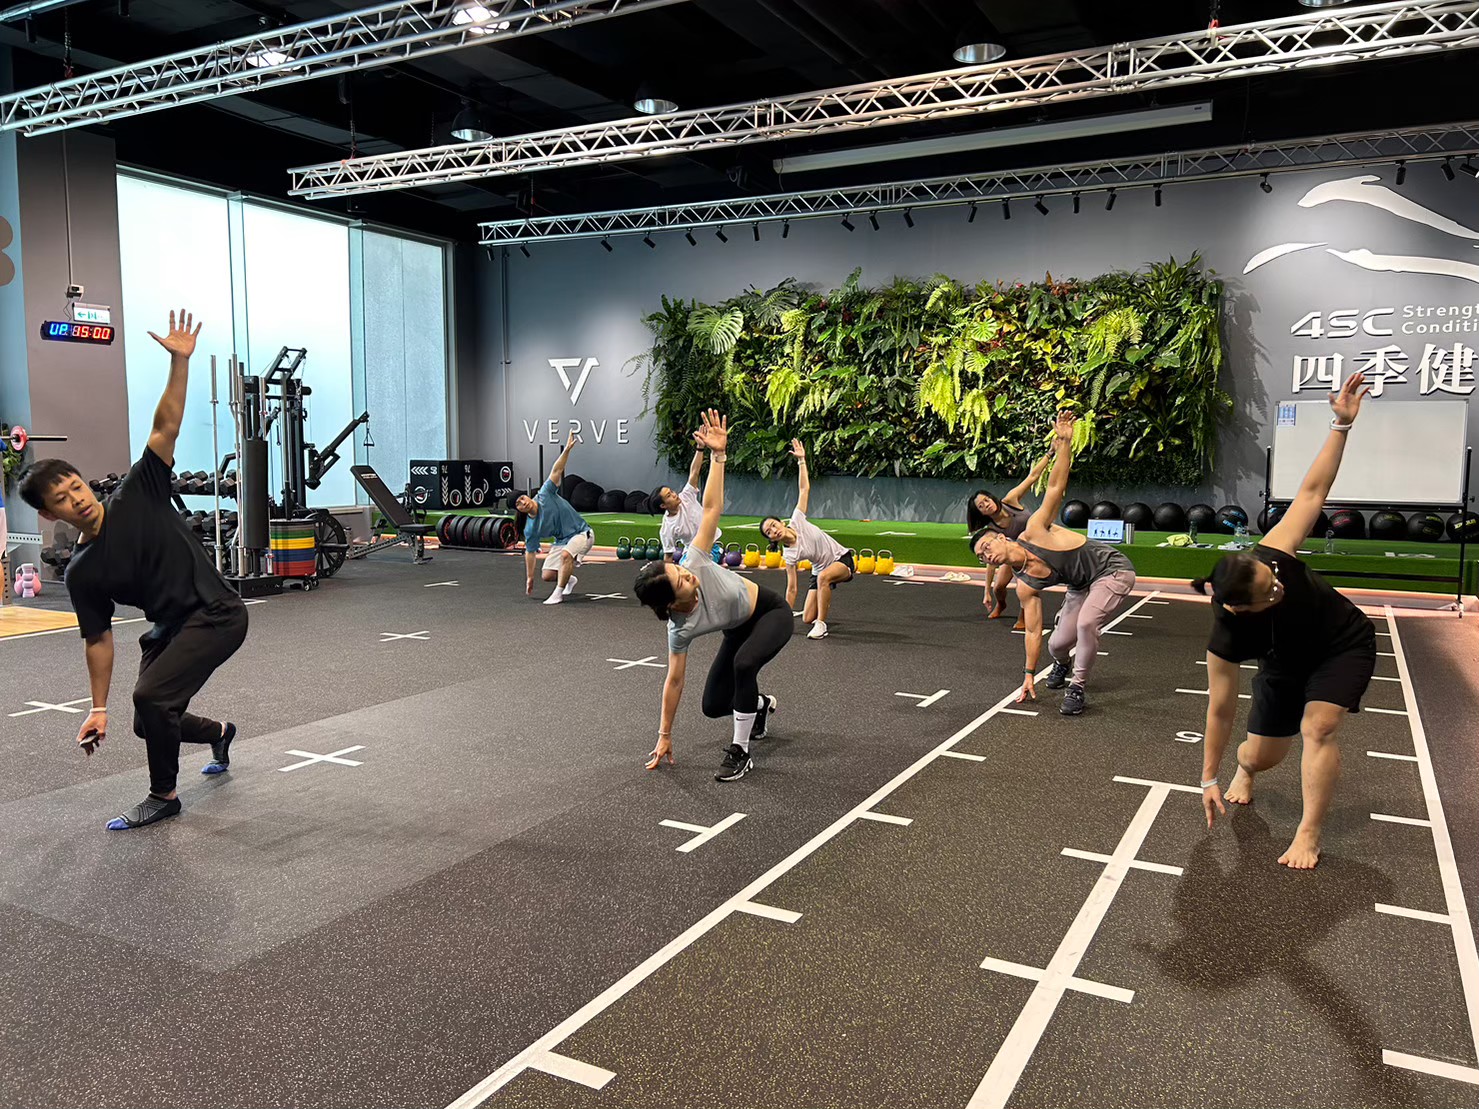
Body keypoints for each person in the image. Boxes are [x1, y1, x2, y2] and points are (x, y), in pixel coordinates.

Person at [17, 309, 248, 830]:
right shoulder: (81, 572)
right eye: (62, 499)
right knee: (149, 721)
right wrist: (98, 708)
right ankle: (219, 733)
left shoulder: (138, 492)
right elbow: (98, 640)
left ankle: (164, 796)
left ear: (84, 482)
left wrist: (180, 362)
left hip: (218, 613)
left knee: (150, 696)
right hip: (171, 627)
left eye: (76, 486)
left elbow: (166, 424)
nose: (77, 498)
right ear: (50, 514)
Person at [1195, 372, 1376, 870]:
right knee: (1261, 756)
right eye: (1269, 593)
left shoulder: (1272, 554)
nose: (1278, 586)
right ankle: (1247, 770)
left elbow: (1313, 491)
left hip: (1342, 643)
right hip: (1283, 664)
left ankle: (1308, 832)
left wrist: (1341, 425)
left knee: (1320, 726)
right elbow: (1220, 710)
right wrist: (1209, 776)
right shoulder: (1226, 634)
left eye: (1273, 579)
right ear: (1240, 608)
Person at [634, 410, 789, 782]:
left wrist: (719, 455)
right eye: (681, 581)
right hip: (737, 629)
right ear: (671, 604)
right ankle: (760, 706)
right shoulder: (679, 628)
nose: (688, 575)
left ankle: (741, 751)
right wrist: (664, 735)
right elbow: (674, 681)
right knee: (713, 705)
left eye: (681, 570)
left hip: (770, 612)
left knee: (743, 665)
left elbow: (711, 508)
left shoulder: (695, 559)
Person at [972, 411, 1136, 716]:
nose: (986, 555)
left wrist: (1065, 443)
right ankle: (1063, 663)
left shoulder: (1034, 529)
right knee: (1057, 645)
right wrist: (1029, 674)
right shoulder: (1024, 586)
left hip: (1112, 569)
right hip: (1080, 585)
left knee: (1087, 624)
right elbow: (1033, 632)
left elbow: (1055, 488)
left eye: (986, 546)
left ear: (1002, 539)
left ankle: (1077, 687)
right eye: (981, 556)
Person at [760, 439, 854, 641]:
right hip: (819, 570)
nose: (774, 531)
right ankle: (822, 599)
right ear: (771, 538)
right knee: (806, 618)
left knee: (823, 579)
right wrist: (783, 618)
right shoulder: (789, 555)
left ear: (781, 523)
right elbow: (792, 588)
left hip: (841, 559)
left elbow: (804, 489)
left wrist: (801, 460)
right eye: (769, 532)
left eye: (774, 525)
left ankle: (822, 625)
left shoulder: (797, 519)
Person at [965, 452, 1052, 627]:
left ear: (991, 498)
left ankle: (1023, 616)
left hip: (1036, 548)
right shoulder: (991, 530)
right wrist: (987, 591)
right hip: (1013, 553)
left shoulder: (1010, 500)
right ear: (980, 513)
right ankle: (1001, 604)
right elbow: (991, 562)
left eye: (986, 500)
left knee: (1025, 584)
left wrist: (1049, 454)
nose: (986, 505)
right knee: (999, 587)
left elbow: (1032, 477)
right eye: (981, 506)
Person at [514, 431, 593, 605]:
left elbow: (557, 469)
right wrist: (529, 577)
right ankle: (569, 579)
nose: (523, 502)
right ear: (519, 510)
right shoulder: (530, 528)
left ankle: (558, 594)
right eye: (519, 504)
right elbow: (530, 553)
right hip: (561, 540)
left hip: (582, 533)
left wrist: (567, 450)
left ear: (527, 496)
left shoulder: (545, 494)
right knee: (547, 575)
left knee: (566, 556)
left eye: (522, 498)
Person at [649, 443, 718, 559]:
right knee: (688, 567)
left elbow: (694, 472)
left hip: (711, 548)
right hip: (691, 552)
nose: (674, 495)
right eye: (669, 495)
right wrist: (668, 571)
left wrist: (700, 448)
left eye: (672, 491)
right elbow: (668, 556)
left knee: (698, 567)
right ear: (663, 505)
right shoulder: (667, 528)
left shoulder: (686, 496)